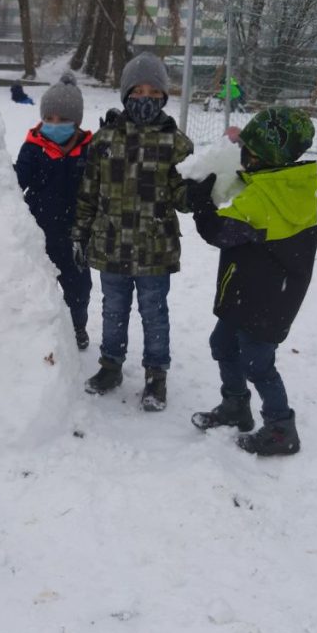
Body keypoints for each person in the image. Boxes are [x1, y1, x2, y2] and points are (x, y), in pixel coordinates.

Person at [186, 106, 317, 456]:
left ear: (264, 158)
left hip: (267, 299)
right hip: (253, 288)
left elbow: (217, 231)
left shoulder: (261, 202)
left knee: (257, 363)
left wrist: (202, 202)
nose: (242, 155)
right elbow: (262, 188)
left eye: (248, 151)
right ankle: (235, 406)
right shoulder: (292, 181)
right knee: (223, 344)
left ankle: (281, 427)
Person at [71, 52, 194, 412]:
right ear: (126, 95)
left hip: (155, 248)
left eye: (153, 91)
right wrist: (79, 232)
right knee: (113, 310)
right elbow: (89, 191)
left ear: (164, 96)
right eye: (137, 91)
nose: (145, 98)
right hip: (111, 246)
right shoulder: (105, 140)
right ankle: (110, 365)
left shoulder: (175, 144)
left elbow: (182, 196)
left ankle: (156, 375)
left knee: (154, 312)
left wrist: (199, 192)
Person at [15, 72, 94, 350]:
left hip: (75, 234)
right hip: (39, 231)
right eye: (49, 119)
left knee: (79, 290)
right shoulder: (34, 147)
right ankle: (40, 329)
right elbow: (16, 181)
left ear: (77, 122)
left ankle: (77, 327)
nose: (54, 125)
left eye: (62, 120)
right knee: (36, 286)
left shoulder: (89, 150)